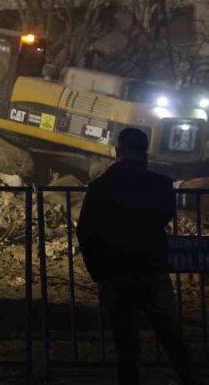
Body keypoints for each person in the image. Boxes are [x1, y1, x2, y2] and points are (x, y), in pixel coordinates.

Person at [77, 127, 199, 385]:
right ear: (145, 153)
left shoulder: (100, 186)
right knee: (172, 337)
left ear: (118, 151)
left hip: (115, 273)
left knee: (126, 346)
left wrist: (98, 271)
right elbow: (165, 214)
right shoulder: (161, 184)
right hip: (151, 269)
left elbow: (86, 230)